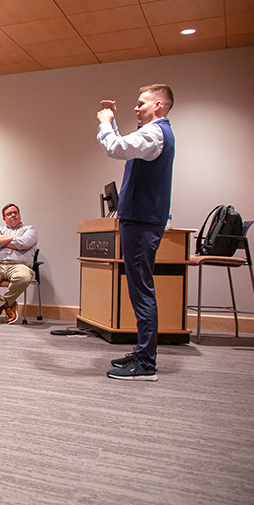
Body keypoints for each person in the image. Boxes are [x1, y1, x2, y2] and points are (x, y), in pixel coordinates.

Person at [97, 84, 175, 382]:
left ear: (158, 105)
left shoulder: (156, 133)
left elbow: (117, 148)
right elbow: (127, 143)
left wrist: (105, 124)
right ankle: (143, 352)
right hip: (141, 220)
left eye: (141, 103)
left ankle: (145, 363)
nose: (136, 107)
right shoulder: (155, 134)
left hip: (141, 221)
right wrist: (112, 123)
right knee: (139, 289)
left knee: (141, 291)